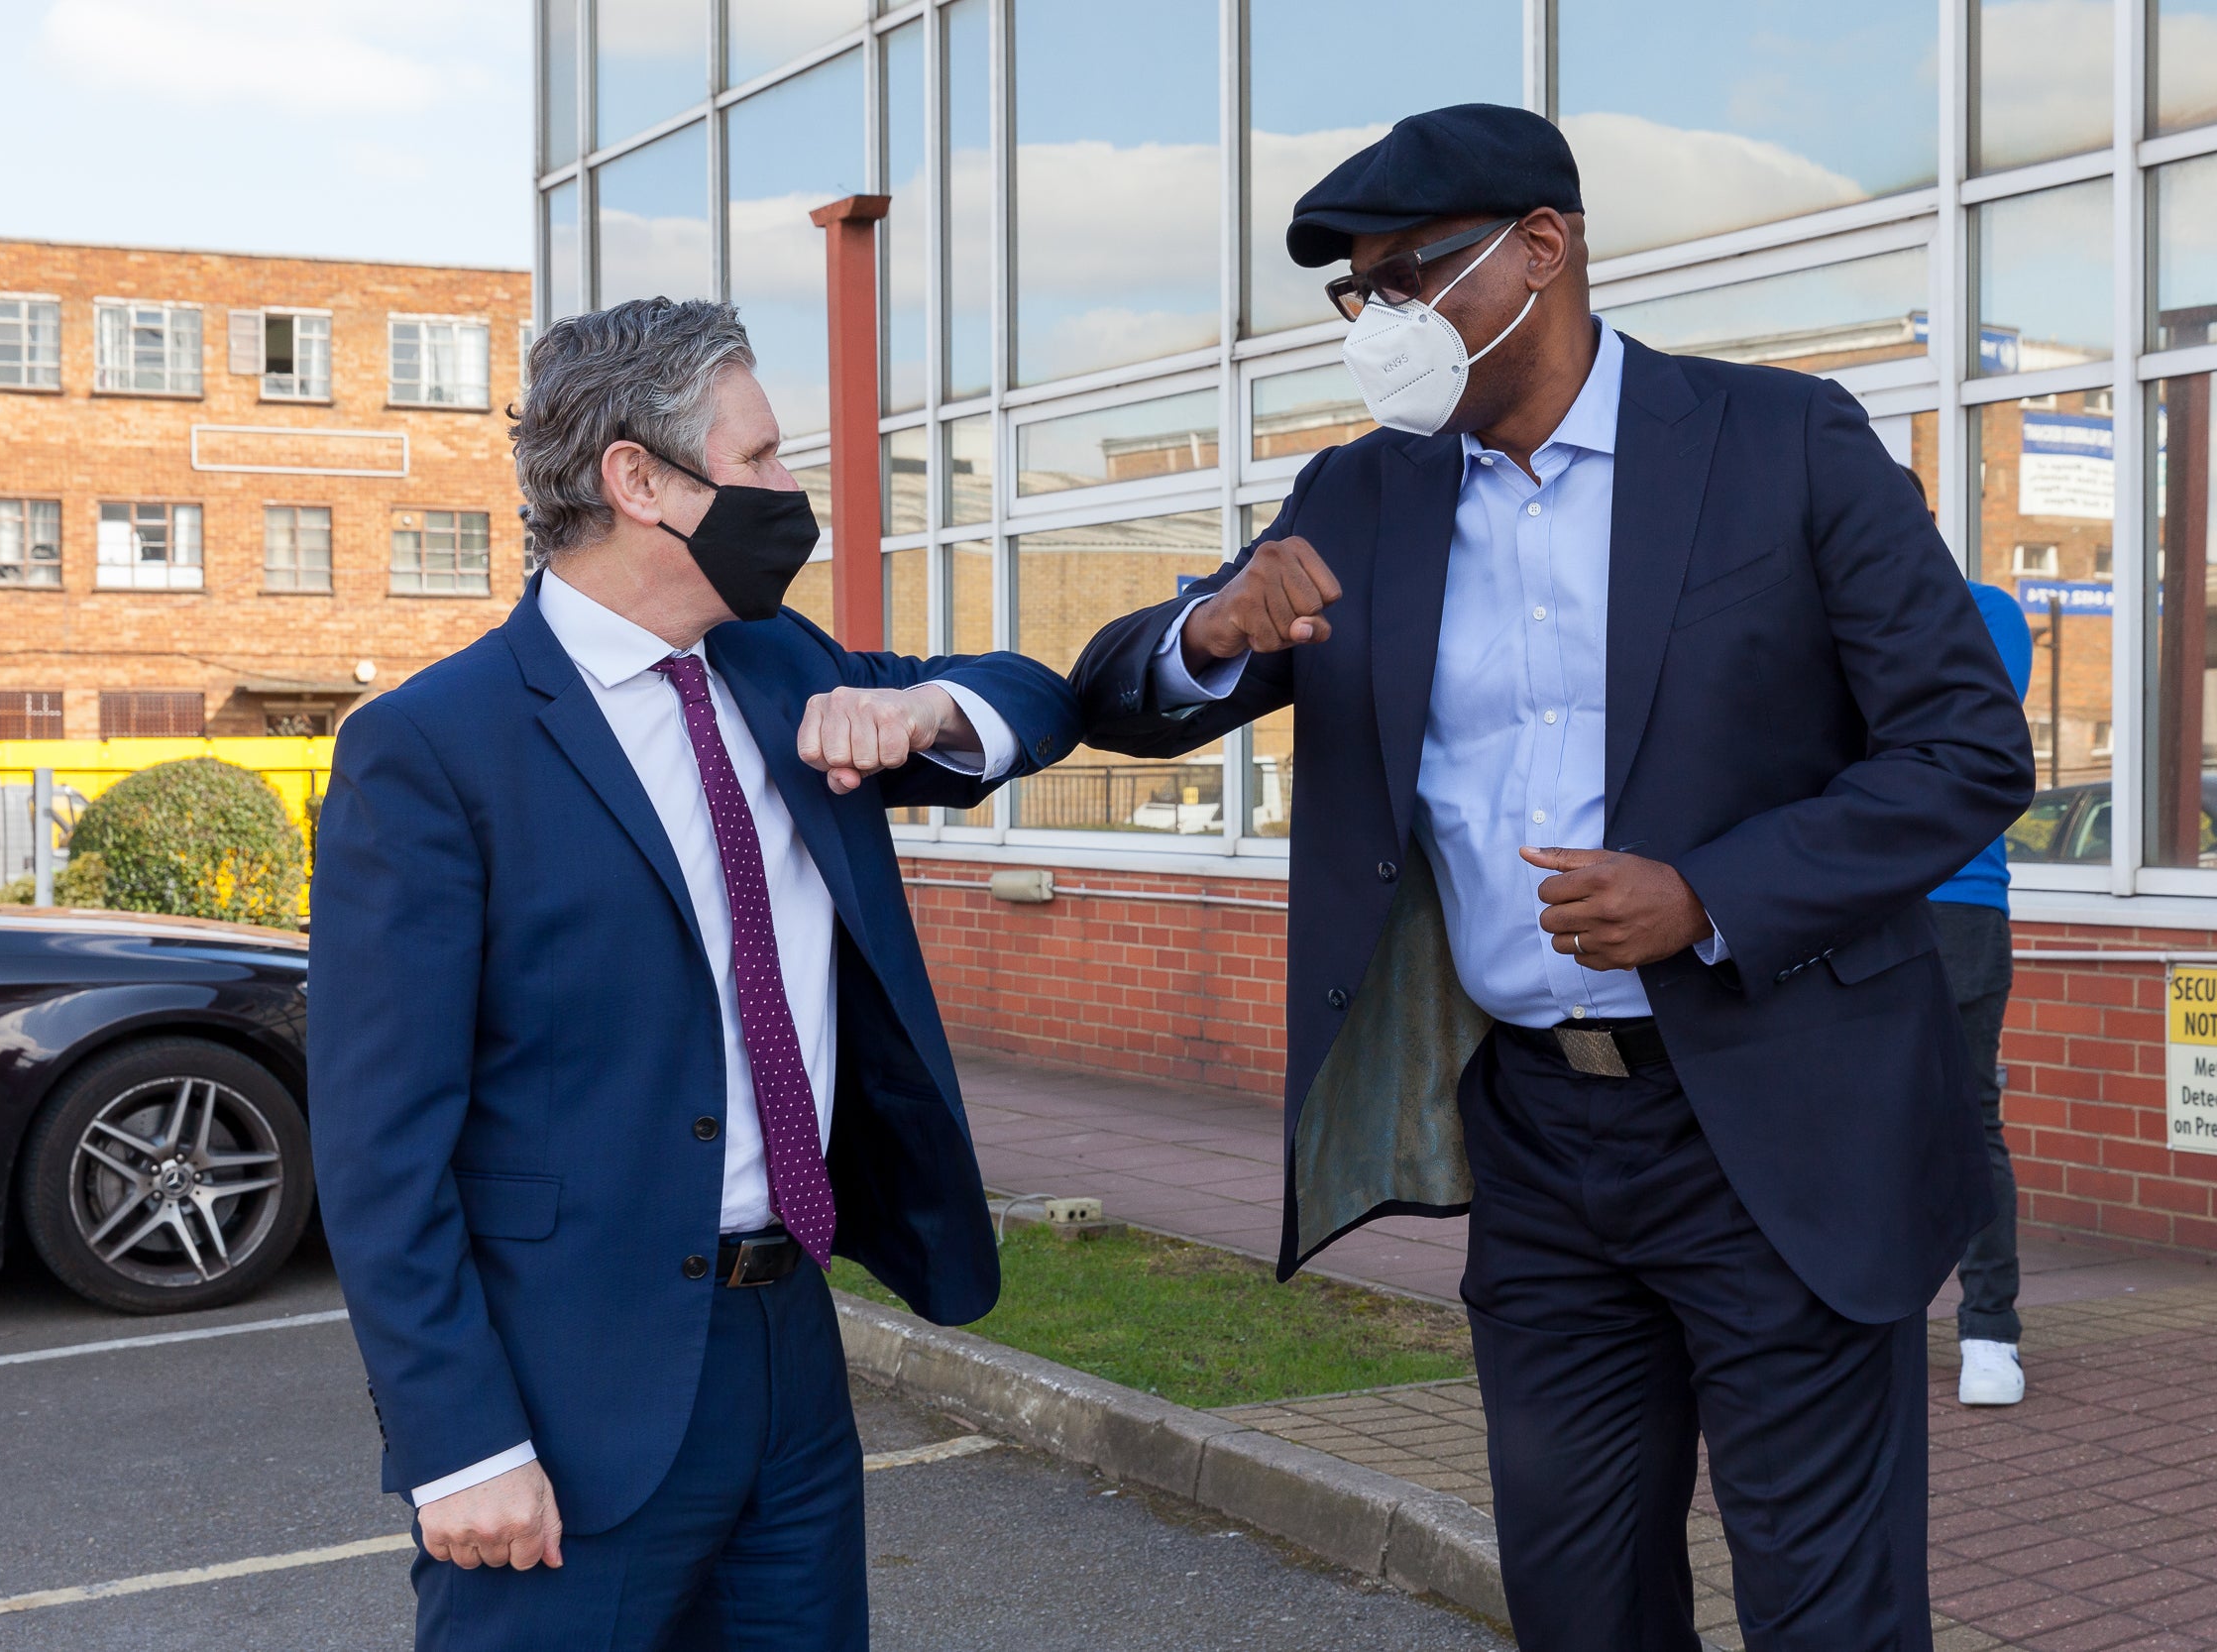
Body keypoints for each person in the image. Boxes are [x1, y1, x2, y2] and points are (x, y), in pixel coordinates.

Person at [1067, 106, 2034, 1650]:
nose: (1385, 321)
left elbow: (1967, 749)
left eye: (1414, 276)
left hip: (1776, 1125)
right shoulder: (1360, 497)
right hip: (1537, 1139)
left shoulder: (1781, 444)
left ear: (1543, 248)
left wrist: (1707, 896)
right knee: (1578, 1600)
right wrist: (1208, 629)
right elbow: (1118, 690)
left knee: (1826, 1612)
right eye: (1358, 295)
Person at [307, 296, 1080, 1652]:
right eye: (766, 456)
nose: (795, 491)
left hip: (789, 1353)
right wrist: (460, 1442)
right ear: (640, 480)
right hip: (566, 1391)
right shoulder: (433, 748)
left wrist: (927, 706)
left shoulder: (781, 667)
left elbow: (1032, 689)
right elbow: (380, 1146)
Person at [1902, 466, 2038, 1406]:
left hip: (1953, 906)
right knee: (1858, 1125)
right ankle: (1874, 1322)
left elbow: (1957, 743)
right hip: (1848, 908)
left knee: (1966, 1120)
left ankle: (1989, 1328)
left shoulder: (1987, 610)